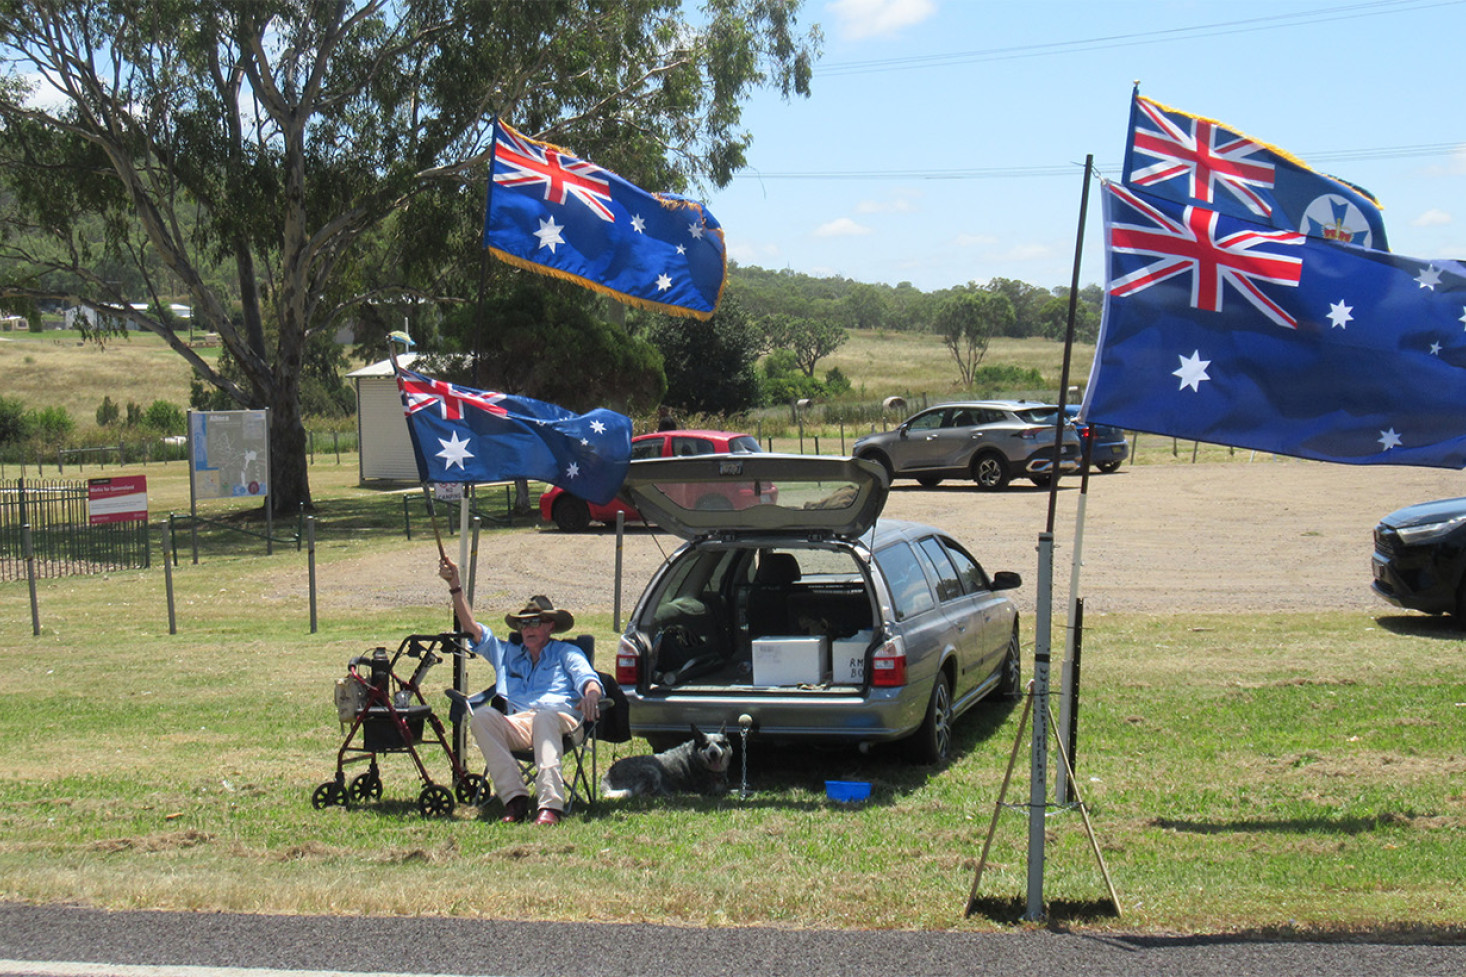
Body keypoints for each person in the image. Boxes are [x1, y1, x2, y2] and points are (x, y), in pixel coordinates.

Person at [439, 555, 602, 825]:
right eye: (524, 623)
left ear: (550, 626)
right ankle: (515, 798)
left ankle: (550, 806)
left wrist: (592, 694)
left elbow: (588, 678)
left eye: (535, 622)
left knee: (545, 716)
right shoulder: (508, 654)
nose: (528, 628)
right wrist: (455, 585)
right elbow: (473, 630)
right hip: (520, 723)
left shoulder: (566, 653)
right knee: (482, 718)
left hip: (562, 722)